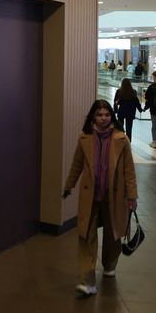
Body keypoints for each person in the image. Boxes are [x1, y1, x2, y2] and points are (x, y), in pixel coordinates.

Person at [63, 99, 138, 296]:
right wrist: (69, 184)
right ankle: (87, 280)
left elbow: (129, 171)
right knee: (86, 235)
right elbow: (77, 165)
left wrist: (132, 196)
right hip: (91, 196)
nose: (103, 118)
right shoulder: (85, 139)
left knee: (113, 234)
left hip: (115, 196)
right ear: (93, 117)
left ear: (111, 116)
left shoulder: (121, 139)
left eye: (106, 115)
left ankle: (110, 264)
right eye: (99, 115)